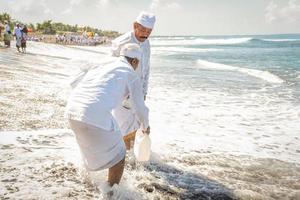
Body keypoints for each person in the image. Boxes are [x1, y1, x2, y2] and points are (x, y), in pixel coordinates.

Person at [66, 43, 150, 187]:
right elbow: (139, 107)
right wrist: (145, 126)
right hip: (92, 114)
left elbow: (73, 82)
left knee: (87, 146)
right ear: (135, 61)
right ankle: (111, 193)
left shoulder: (103, 63)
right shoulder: (130, 73)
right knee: (119, 154)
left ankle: (85, 180)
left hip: (71, 109)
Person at [111, 11, 156, 150]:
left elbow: (146, 69)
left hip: (138, 93)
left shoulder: (146, 43)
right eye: (143, 30)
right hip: (122, 92)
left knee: (134, 126)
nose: (145, 34)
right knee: (124, 127)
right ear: (135, 25)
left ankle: (127, 156)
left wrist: (143, 92)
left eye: (149, 31)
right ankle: (120, 158)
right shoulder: (121, 42)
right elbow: (110, 68)